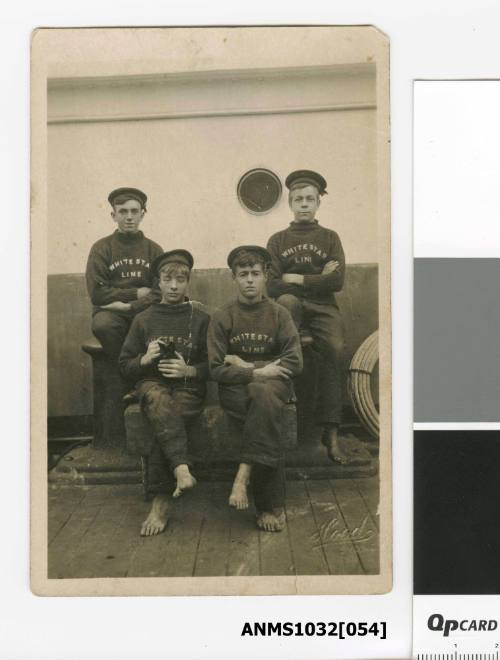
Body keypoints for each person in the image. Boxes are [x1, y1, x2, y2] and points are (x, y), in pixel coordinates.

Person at [208, 245, 302, 532]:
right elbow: (215, 369)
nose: (250, 279)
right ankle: (269, 505)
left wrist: (242, 363)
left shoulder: (279, 314)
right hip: (238, 391)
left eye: (256, 274)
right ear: (234, 278)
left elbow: (294, 362)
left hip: (273, 387)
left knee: (264, 397)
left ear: (266, 277)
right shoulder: (223, 316)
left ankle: (243, 476)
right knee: (264, 405)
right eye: (243, 274)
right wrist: (259, 369)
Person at [119, 249, 210, 536]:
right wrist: (145, 360)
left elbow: (215, 366)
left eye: (180, 280)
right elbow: (124, 365)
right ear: (158, 281)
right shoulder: (143, 319)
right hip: (152, 386)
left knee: (170, 415)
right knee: (160, 402)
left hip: (187, 388)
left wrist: (189, 371)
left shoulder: (201, 317)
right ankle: (180, 470)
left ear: (188, 282)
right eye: (168, 279)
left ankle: (161, 501)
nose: (174, 286)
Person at [266, 169, 350, 465]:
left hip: (324, 307)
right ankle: (293, 430)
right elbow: (273, 284)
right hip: (292, 309)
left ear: (318, 203)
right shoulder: (277, 240)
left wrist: (297, 277)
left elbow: (336, 282)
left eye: (310, 199)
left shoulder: (329, 237)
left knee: (334, 349)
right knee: (288, 304)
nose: (304, 204)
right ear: (290, 202)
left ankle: (331, 431)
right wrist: (315, 276)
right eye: (298, 199)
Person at [86, 187, 163, 361]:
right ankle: (124, 373)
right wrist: (135, 293)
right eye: (123, 211)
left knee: (163, 323)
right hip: (112, 313)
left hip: (145, 310)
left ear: (142, 215)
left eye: (134, 211)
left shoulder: (154, 250)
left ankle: (149, 378)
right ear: (113, 215)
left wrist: (131, 306)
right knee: (103, 325)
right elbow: (97, 293)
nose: (129, 217)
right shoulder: (101, 248)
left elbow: (159, 292)